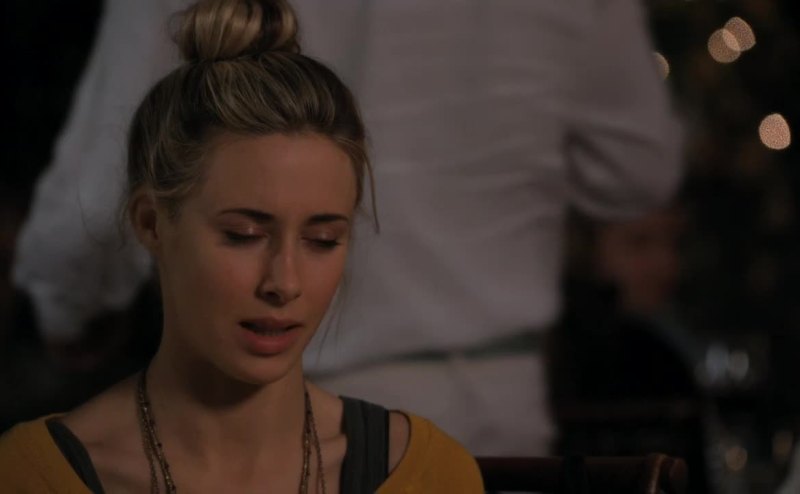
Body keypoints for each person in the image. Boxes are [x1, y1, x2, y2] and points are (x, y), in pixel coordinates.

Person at [0, 1, 484, 492]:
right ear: (151, 222)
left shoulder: (429, 475)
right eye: (244, 236)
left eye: (323, 241)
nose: (285, 283)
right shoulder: (32, 477)